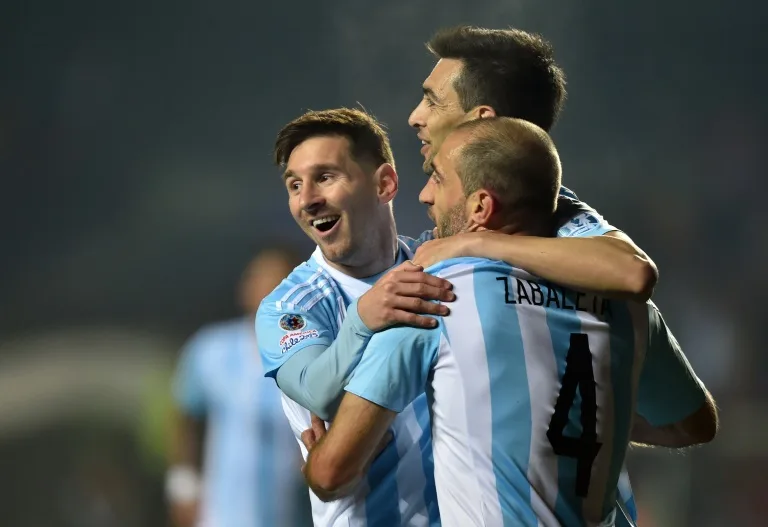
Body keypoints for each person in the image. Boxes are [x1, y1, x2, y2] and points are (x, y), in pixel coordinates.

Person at [302, 118, 717, 527]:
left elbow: (331, 475)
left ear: (481, 207)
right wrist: (576, 419)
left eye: (438, 179)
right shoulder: (630, 308)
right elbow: (692, 424)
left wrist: (321, 453)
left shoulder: (434, 297)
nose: (426, 195)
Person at [168, 248, 311, 527]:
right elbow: (185, 418)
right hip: (221, 515)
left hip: (291, 514)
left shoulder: (313, 354)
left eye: (278, 280)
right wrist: (183, 487)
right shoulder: (210, 348)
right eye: (259, 279)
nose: (267, 289)